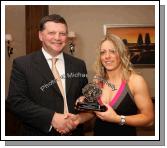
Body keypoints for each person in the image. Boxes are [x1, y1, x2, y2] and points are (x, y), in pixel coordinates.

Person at [7, 14, 88, 136]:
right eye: (51, 33)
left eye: (62, 33)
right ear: (40, 35)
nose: (58, 38)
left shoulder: (79, 65)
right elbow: (16, 101)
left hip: (74, 135)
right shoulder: (22, 64)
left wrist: (84, 105)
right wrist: (52, 118)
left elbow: (84, 97)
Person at [73, 34, 154, 136]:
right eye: (103, 52)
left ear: (121, 54)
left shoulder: (136, 81)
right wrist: (79, 118)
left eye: (112, 51)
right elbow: (94, 111)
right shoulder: (97, 80)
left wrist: (117, 119)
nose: (107, 56)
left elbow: (149, 119)